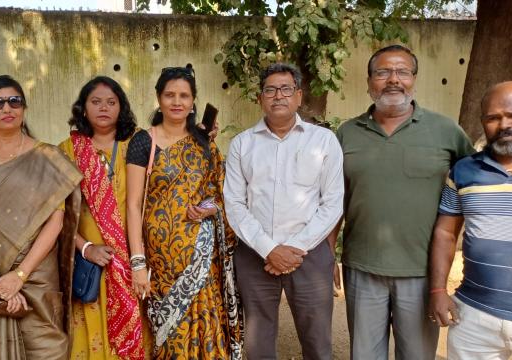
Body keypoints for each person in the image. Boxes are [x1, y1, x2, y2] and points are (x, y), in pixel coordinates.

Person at [335, 44, 475, 359]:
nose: (393, 80)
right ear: (369, 81)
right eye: (382, 72)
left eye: (402, 72)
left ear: (414, 79)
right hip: (362, 267)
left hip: (423, 271)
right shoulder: (347, 134)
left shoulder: (445, 131)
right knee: (364, 354)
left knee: (416, 355)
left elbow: (475, 183)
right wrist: (329, 254)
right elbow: (334, 200)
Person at [0, 75, 82, 359]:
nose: (6, 108)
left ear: (24, 108)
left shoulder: (47, 156)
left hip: (38, 274)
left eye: (14, 101)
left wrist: (19, 277)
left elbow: (56, 222)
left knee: (46, 349)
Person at [224, 62, 344, 360]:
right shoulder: (242, 144)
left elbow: (333, 202)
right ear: (260, 98)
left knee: (317, 340)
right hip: (255, 255)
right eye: (270, 90)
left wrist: (294, 249)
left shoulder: (323, 140)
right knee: (258, 342)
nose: (278, 96)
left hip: (310, 254)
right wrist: (269, 249)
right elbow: (235, 204)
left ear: (299, 96)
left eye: (286, 89)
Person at [126, 66, 242, 359]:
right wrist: (138, 263)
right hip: (161, 260)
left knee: (206, 326)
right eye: (169, 95)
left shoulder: (204, 143)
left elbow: (219, 196)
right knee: (169, 334)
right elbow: (133, 204)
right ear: (158, 98)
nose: (176, 102)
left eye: (184, 96)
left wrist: (206, 208)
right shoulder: (143, 141)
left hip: (202, 257)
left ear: (193, 102)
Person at [429, 81, 512, 359]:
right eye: (493, 118)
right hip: (474, 315)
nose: (504, 125)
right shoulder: (464, 170)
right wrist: (437, 289)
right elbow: (445, 234)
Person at [58, 76, 147, 359]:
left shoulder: (138, 143)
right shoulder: (68, 151)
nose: (103, 108)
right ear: (83, 108)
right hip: (90, 261)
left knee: (134, 330)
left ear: (122, 107)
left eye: (111, 102)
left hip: (133, 260)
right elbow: (57, 213)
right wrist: (86, 247)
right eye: (95, 102)